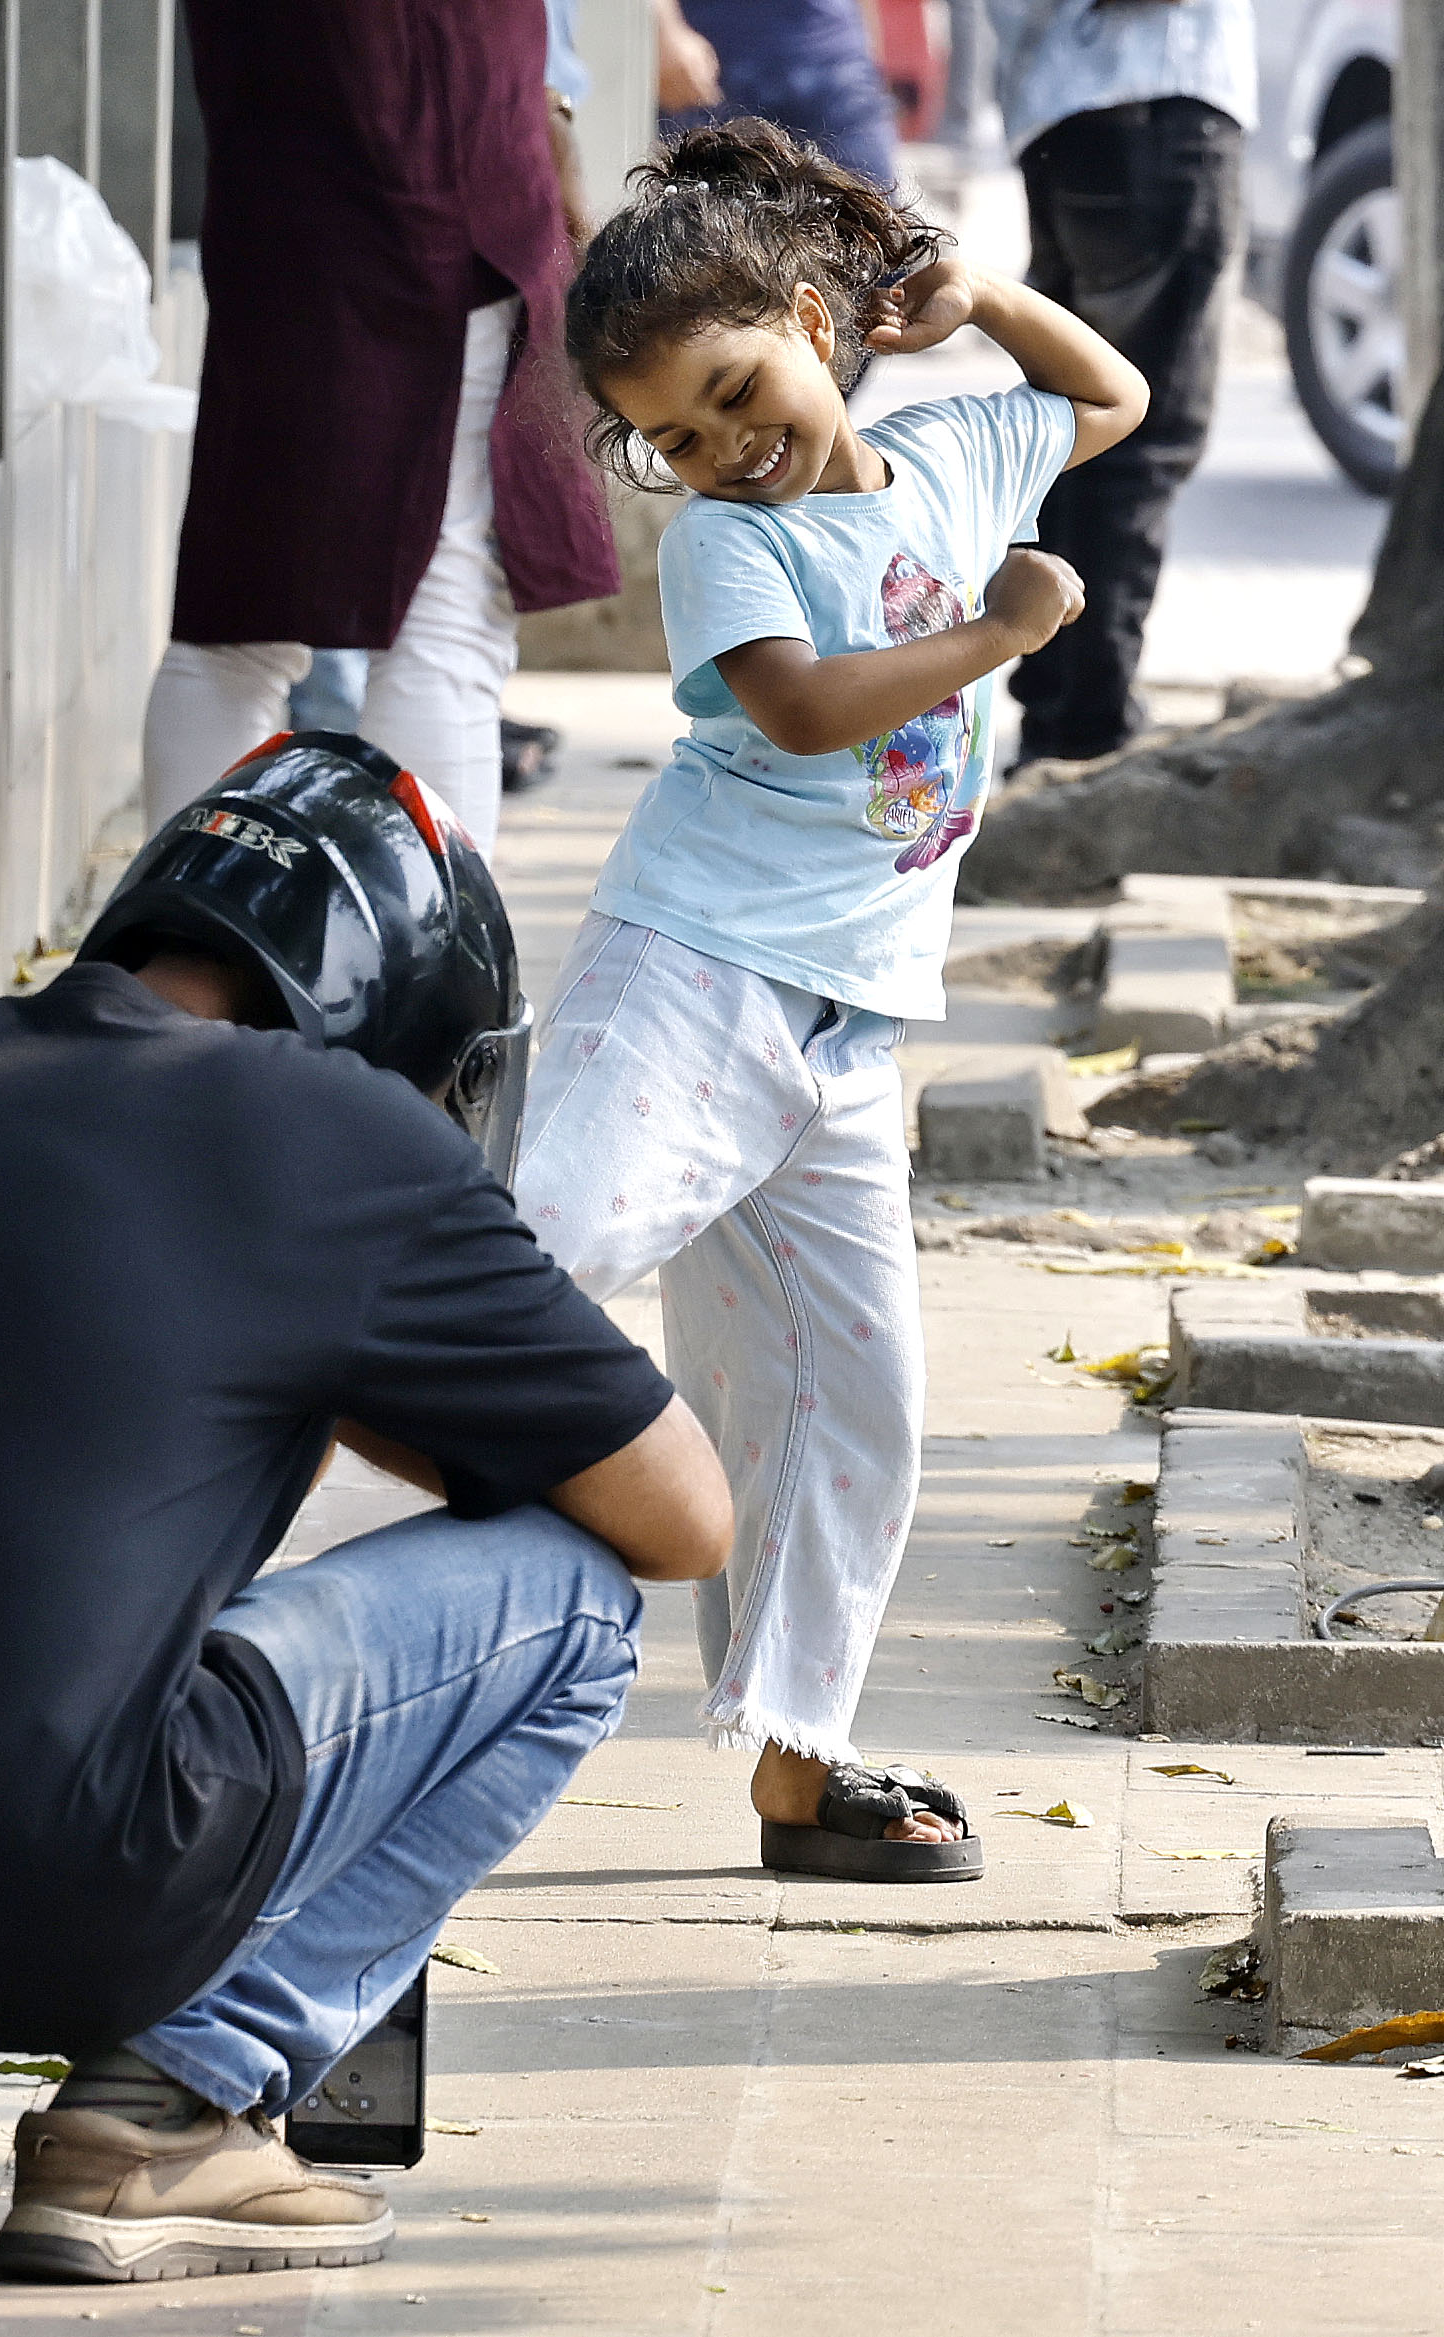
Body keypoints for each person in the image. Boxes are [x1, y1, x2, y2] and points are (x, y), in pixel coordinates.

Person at [0, 742, 734, 2284]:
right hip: (41, 1875)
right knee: (573, 1599)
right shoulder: (341, 1140)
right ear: (395, 1017)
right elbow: (679, 1511)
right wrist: (368, 1372)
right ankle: (169, 2107)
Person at [523, 121, 1145, 1879]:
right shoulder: (729, 553)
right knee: (528, 1265)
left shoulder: (950, 456)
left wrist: (990, 293)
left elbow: (1111, 401)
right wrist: (1004, 638)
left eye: (736, 390)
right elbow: (804, 709)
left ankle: (801, 1764)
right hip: (692, 981)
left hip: (845, 1027)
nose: (724, 446)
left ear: (815, 319)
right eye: (677, 437)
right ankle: (244, 1526)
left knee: (849, 1395)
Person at [150, 0, 615, 839]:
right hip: (425, 122)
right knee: (442, 604)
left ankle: (160, 957)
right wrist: (553, 106)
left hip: (290, 144)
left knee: (242, 620)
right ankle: (428, 966)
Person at [981, 0, 1257, 765]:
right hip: (1149, 94)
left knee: (1076, 431)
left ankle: (1059, 722)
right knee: (1132, 438)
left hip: (1068, 104)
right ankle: (1085, 740)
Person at [662, 0, 905, 191]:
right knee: (703, 242)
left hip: (834, 65)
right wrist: (663, 29)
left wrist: (870, 57)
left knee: (876, 238)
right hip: (711, 71)